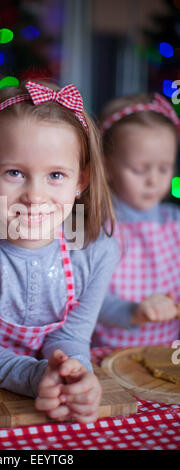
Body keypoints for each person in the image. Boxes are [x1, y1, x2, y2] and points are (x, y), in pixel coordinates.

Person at [0, 80, 119, 424]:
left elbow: (69, 336)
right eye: (14, 172)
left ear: (81, 181)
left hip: (39, 390)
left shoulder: (97, 250)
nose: (34, 195)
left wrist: (73, 377)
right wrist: (37, 376)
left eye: (56, 174)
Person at [93, 92, 180, 348]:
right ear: (107, 167)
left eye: (164, 168)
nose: (153, 180)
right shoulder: (96, 229)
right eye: (139, 170)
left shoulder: (176, 224)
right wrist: (133, 311)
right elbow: (87, 302)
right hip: (107, 358)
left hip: (168, 356)